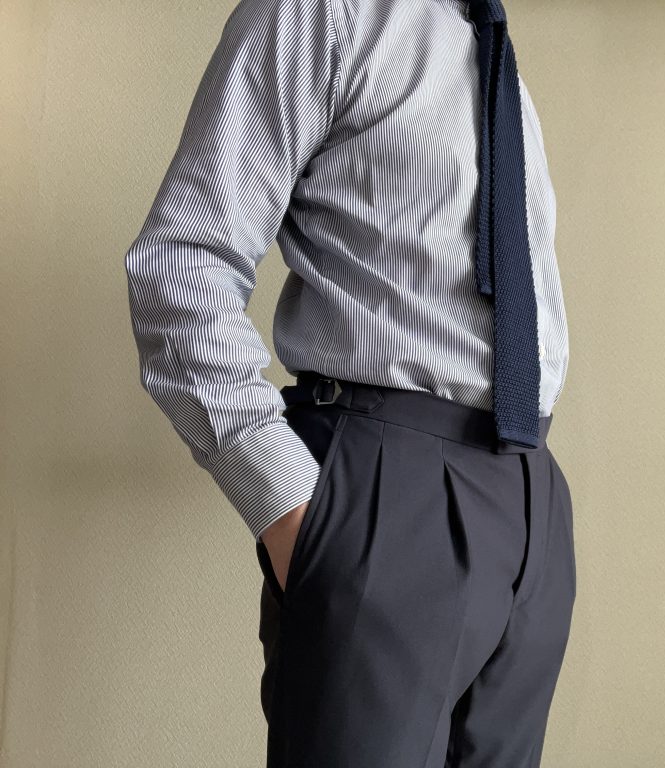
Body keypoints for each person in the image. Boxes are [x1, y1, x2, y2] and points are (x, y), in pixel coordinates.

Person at [124, 0, 575, 764]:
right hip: (386, 488)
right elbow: (182, 266)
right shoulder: (324, 11)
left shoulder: (488, 53)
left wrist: (540, 522)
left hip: (530, 501)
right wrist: (295, 513)